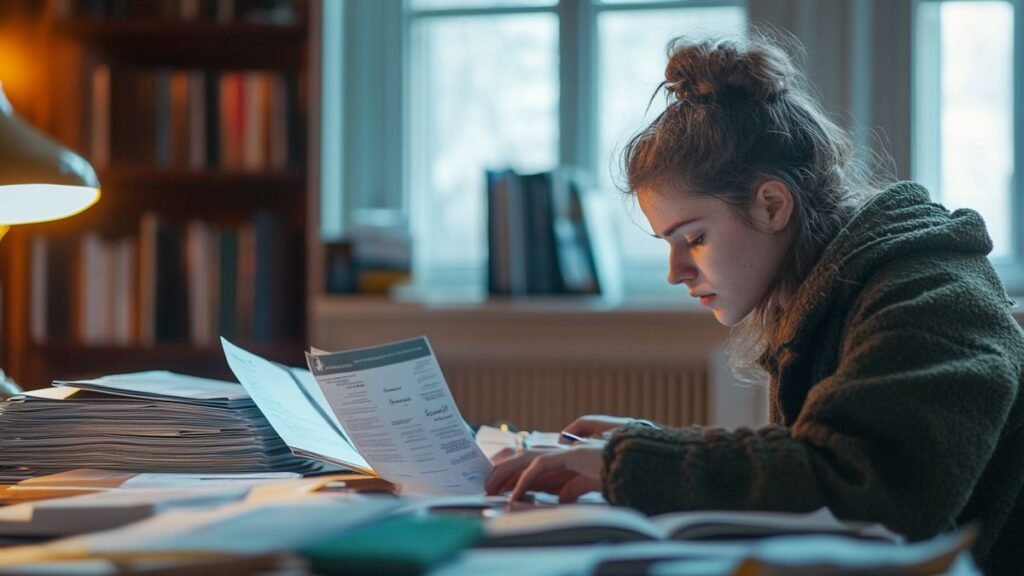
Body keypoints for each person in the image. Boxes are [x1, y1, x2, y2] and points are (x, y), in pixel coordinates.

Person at [484, 34, 1023, 575]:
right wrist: (649, 444)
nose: (676, 272)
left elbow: (864, 484)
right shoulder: (827, 295)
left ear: (771, 204)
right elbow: (814, 455)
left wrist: (635, 464)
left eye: (692, 238)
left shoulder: (927, 290)